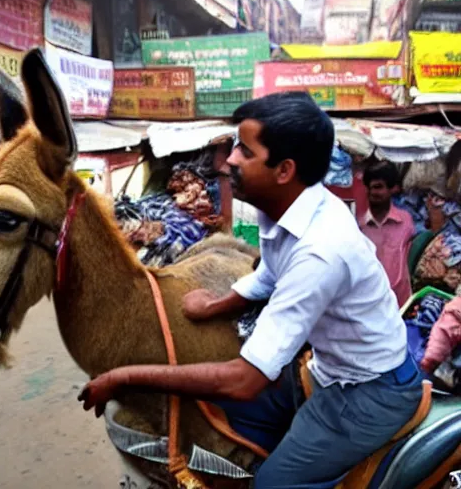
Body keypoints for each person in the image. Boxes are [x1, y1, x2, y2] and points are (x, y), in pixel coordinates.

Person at [78, 92, 423, 487]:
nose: (229, 160)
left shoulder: (321, 252)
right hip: (326, 370)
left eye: (245, 150)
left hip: (368, 393)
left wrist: (126, 376)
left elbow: (245, 380)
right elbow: (269, 275)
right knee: (212, 418)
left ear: (284, 170)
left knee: (273, 482)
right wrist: (215, 305)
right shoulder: (279, 207)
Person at [359, 161, 415, 308]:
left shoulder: (406, 222)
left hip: (400, 304)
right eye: (368, 187)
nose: (372, 192)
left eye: (378, 187)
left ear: (393, 189)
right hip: (367, 304)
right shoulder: (357, 224)